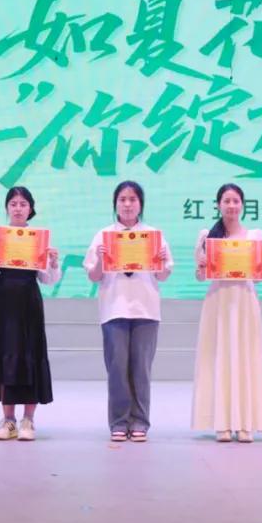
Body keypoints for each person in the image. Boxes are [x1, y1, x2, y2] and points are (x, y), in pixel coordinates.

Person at [84, 181, 173, 442]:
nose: (127, 204)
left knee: (141, 370)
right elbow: (93, 276)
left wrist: (159, 260)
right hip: (114, 309)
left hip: (146, 310)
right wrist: (102, 259)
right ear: (115, 204)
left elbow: (163, 275)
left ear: (140, 204)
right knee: (117, 369)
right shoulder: (104, 236)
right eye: (122, 199)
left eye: (132, 199)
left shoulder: (153, 236)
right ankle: (119, 422)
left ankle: (140, 422)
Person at [191, 183, 262, 443]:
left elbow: (257, 278)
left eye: (236, 201)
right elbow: (200, 276)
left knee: (245, 358)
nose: (231, 205)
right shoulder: (208, 236)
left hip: (245, 301)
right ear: (218, 205)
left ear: (242, 205)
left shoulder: (255, 236)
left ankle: (245, 423)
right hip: (218, 301)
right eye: (226, 201)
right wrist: (201, 266)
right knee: (219, 358)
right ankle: (222, 423)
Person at [0, 186, 60, 442]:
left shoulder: (39, 238)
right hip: (4, 301)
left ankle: (28, 420)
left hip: (29, 301)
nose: (17, 208)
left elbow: (48, 279)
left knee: (30, 356)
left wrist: (53, 262)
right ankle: (8, 420)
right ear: (7, 208)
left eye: (23, 204)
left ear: (30, 209)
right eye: (13, 203)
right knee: (5, 356)